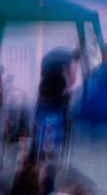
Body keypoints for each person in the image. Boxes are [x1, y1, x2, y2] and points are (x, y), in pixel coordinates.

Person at [14, 47, 80, 195]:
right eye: (73, 69)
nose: (76, 75)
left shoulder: (51, 105)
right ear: (63, 72)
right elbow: (46, 160)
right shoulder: (52, 113)